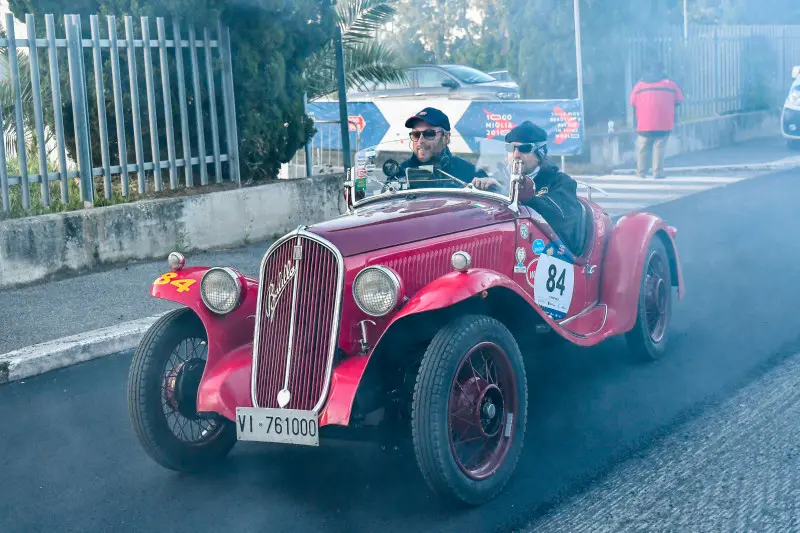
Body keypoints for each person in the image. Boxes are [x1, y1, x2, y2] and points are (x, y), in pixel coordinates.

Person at [472, 121, 584, 254]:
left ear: (540, 153)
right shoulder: (497, 179)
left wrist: (525, 196)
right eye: (511, 148)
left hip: (547, 254)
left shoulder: (560, 182)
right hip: (505, 249)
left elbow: (560, 217)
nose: (516, 154)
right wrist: (478, 192)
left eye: (524, 149)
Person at [398, 107, 487, 188]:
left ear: (446, 138)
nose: (420, 141)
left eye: (429, 134)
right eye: (416, 134)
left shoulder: (470, 174)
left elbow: (494, 197)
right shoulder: (399, 172)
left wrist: (488, 184)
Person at [630, 62, 684, 179]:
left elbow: (632, 102)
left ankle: (641, 173)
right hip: (664, 123)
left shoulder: (639, 85)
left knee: (643, 148)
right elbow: (679, 100)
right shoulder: (670, 84)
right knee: (659, 147)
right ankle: (657, 173)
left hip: (644, 124)